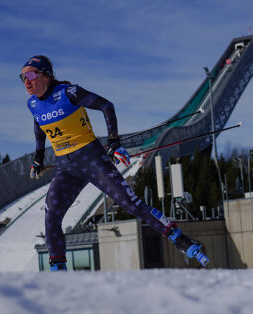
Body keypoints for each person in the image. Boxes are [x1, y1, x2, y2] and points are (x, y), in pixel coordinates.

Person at [20, 55, 204, 271]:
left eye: (31, 75)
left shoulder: (68, 93)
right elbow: (39, 126)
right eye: (22, 77)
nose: (26, 81)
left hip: (91, 158)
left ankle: (180, 239)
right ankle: (58, 272)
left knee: (130, 203)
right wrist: (38, 158)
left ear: (47, 75)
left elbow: (106, 105)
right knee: (51, 214)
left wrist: (114, 142)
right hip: (66, 168)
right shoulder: (32, 103)